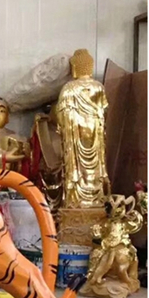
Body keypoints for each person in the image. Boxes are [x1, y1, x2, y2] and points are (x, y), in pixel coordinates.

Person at [56, 49, 110, 209]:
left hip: (75, 132)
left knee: (75, 166)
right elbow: (104, 111)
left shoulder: (69, 88)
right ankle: (96, 199)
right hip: (94, 130)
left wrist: (65, 123)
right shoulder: (98, 87)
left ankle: (76, 200)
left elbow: (61, 113)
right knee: (96, 164)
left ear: (74, 68)